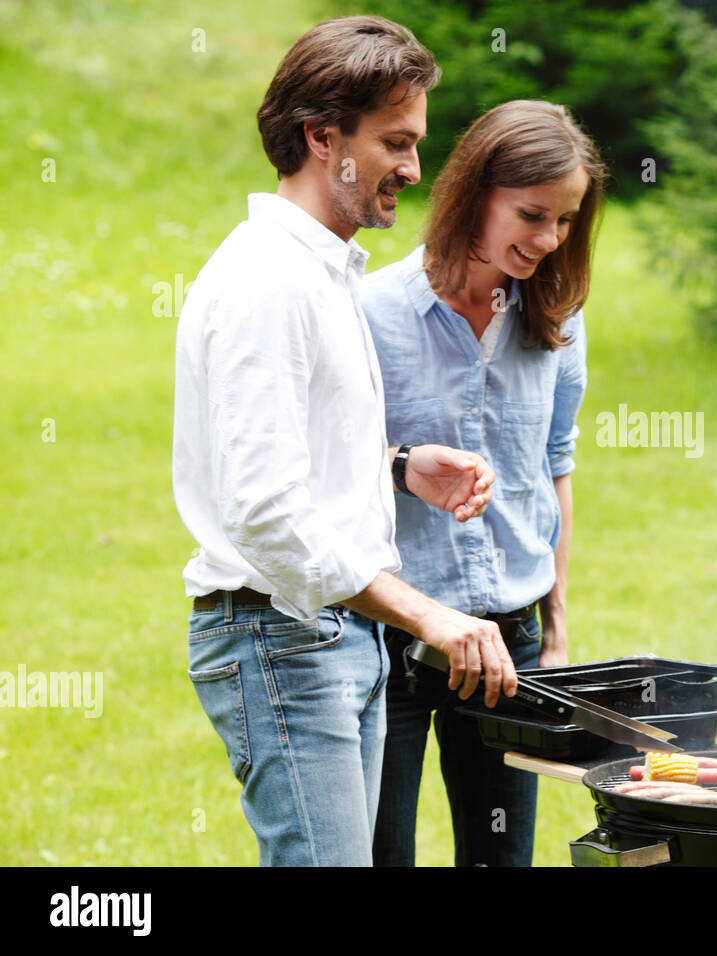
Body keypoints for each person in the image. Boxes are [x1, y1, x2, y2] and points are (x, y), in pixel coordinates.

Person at [172, 16, 518, 867]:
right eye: (396, 142)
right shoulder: (269, 283)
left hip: (329, 636)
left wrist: (399, 468)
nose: (413, 168)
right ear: (323, 138)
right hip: (279, 636)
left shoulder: (324, 272)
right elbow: (264, 513)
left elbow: (301, 458)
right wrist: (429, 614)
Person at [362, 100, 605, 866]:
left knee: (502, 860)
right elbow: (333, 470)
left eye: (565, 222)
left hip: (511, 644)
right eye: (532, 214)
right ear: (476, 190)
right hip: (392, 634)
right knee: (380, 855)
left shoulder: (557, 321)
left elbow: (554, 467)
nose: (547, 240)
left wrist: (556, 625)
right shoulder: (370, 313)